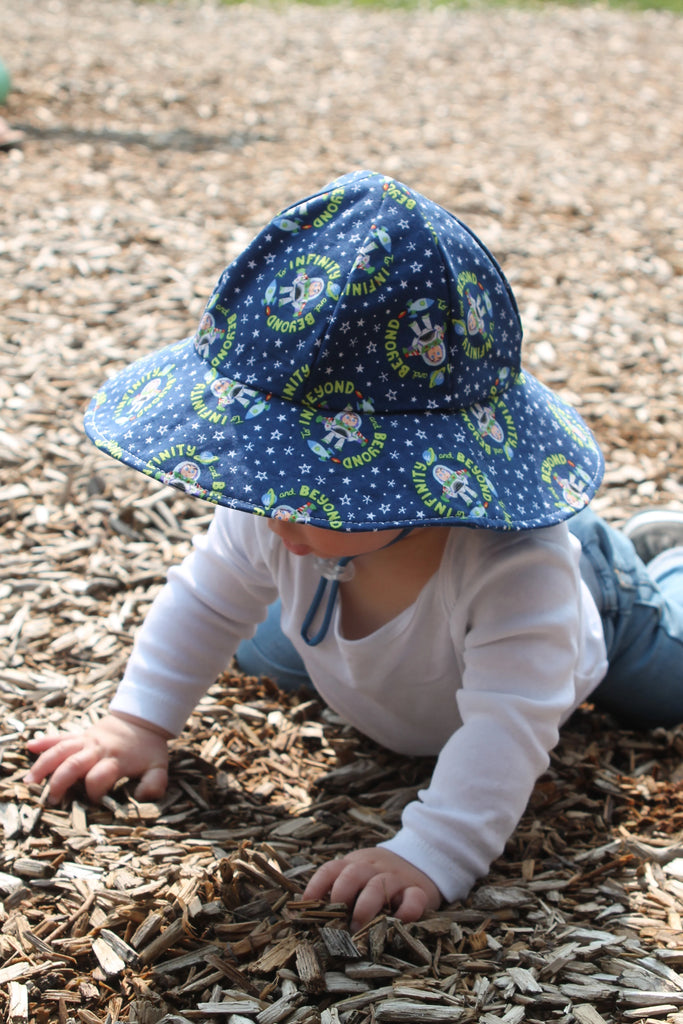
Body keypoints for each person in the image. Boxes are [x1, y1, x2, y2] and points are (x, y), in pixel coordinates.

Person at [25, 170, 683, 931]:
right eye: (268, 473)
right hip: (354, 602)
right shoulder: (283, 516)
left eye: (314, 484)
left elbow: (509, 723)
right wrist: (136, 725)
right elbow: (205, 600)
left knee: (667, 692)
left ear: (419, 476)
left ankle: (654, 557)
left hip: (593, 602)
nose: (274, 509)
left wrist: (433, 850)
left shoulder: (517, 568)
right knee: (261, 649)